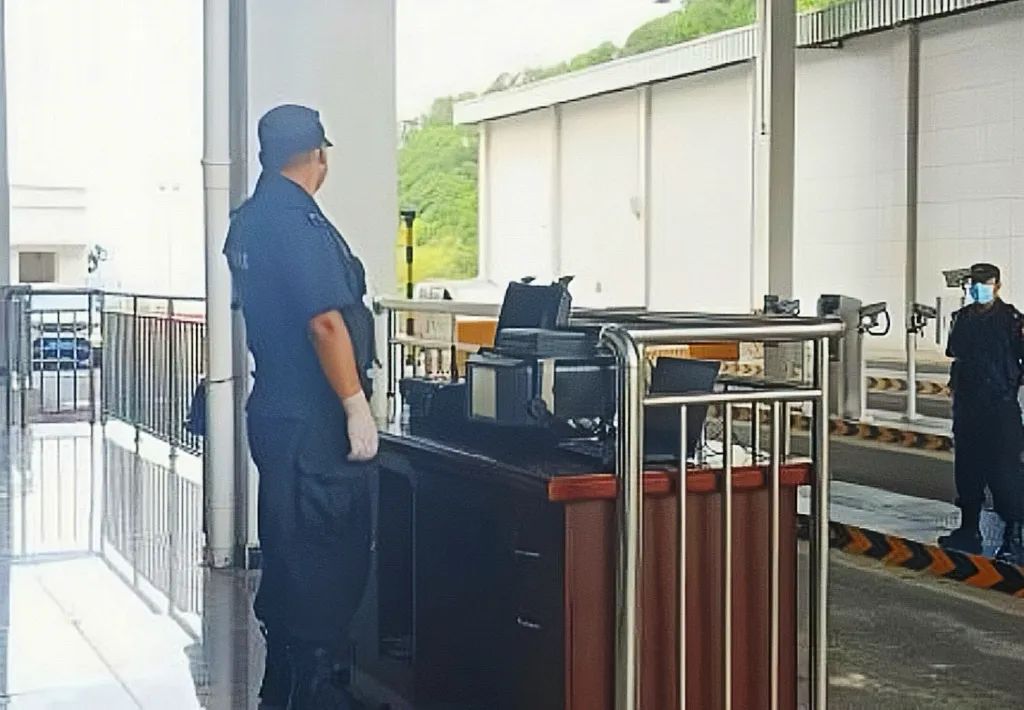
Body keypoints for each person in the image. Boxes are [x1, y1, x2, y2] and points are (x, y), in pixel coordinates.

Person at [223, 104, 378, 709]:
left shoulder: (249, 220)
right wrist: (354, 404)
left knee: (289, 549)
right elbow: (325, 323)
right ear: (319, 155)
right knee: (324, 553)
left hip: (277, 408)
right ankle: (316, 693)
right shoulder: (295, 222)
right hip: (314, 418)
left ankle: (284, 687)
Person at [939, 263, 1024, 564]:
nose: (978, 289)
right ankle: (968, 530)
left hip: (1000, 407)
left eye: (984, 283)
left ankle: (1013, 537)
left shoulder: (1012, 320)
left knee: (1005, 474)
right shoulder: (962, 318)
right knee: (968, 471)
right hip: (968, 407)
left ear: (997, 286)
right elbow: (955, 354)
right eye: (974, 283)